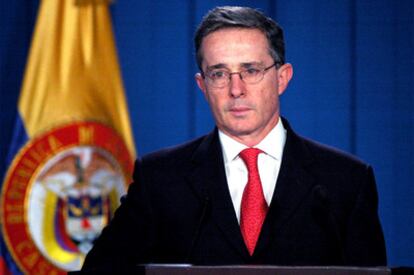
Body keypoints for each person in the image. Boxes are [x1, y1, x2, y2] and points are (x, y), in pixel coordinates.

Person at [82, 6, 386, 272]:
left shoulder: (345, 181)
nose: (236, 89)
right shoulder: (160, 179)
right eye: (219, 74)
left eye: (251, 70)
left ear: (282, 78)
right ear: (202, 85)